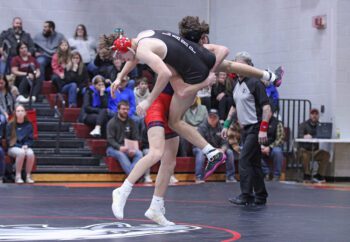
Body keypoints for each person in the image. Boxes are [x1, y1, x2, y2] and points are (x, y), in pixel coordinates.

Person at [109, 30, 280, 224]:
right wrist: (204, 81)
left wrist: (267, 76)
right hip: (158, 103)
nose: (205, 43)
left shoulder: (180, 51)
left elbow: (230, 63)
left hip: (170, 105)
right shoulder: (180, 59)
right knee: (157, 152)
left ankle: (156, 207)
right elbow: (181, 86)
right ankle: (123, 190)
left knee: (169, 162)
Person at [221, 51, 272, 206]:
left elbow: (267, 108)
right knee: (254, 163)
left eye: (240, 64)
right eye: (235, 64)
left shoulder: (256, 83)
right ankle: (261, 195)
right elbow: (234, 106)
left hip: (255, 128)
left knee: (244, 160)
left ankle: (246, 195)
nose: (237, 67)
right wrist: (226, 125)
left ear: (249, 66)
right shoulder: (237, 84)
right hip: (246, 129)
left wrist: (263, 129)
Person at [193, 109, 236, 183]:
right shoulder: (202, 127)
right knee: (200, 152)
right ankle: (199, 177)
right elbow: (199, 142)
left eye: (214, 117)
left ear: (218, 118)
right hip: (201, 148)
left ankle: (230, 177)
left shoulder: (222, 127)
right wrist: (213, 150)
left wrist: (222, 149)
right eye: (210, 117)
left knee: (229, 152)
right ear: (207, 117)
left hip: (217, 149)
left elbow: (225, 142)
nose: (212, 119)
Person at [106, 100, 143, 176]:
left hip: (128, 147)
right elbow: (110, 139)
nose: (125, 111)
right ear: (118, 110)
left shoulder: (132, 122)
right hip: (113, 148)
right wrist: (119, 147)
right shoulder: (112, 122)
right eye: (123, 109)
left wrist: (133, 149)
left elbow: (135, 138)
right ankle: (134, 177)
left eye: (127, 109)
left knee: (139, 153)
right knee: (121, 154)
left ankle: (132, 177)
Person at [298, 108, 330, 183]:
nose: (314, 116)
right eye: (312, 114)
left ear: (318, 116)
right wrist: (304, 136)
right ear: (310, 115)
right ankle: (307, 175)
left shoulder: (321, 125)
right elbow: (299, 135)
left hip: (315, 151)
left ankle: (319, 175)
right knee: (305, 155)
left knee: (326, 155)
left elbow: (324, 135)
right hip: (305, 150)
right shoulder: (303, 124)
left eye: (316, 114)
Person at [6, 104, 35, 184]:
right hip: (13, 147)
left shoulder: (28, 124)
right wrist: (20, 147)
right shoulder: (10, 124)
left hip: (25, 146)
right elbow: (9, 140)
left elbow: (31, 139)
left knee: (31, 153)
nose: (20, 113)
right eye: (18, 111)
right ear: (15, 113)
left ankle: (28, 176)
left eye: (22, 111)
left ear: (25, 113)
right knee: (21, 152)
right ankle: (18, 176)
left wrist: (26, 145)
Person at [260, 116, 285, 181]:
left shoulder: (277, 123)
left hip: (273, 147)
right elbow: (254, 136)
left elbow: (280, 138)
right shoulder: (259, 122)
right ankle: (266, 173)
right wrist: (261, 147)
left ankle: (276, 175)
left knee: (278, 152)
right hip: (261, 146)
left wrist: (270, 147)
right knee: (254, 151)